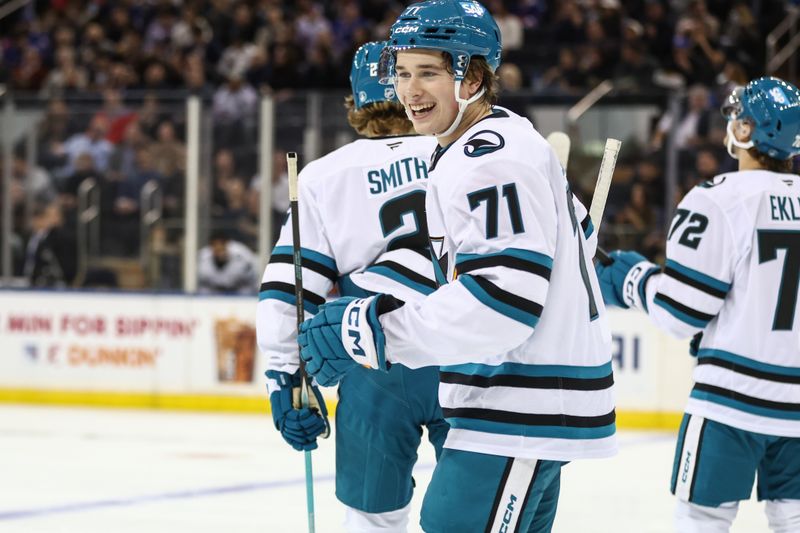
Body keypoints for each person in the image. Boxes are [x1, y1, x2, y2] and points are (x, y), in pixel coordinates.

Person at [297, 3, 617, 531]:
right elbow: (579, 239)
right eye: (402, 73)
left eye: (428, 73)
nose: (409, 91)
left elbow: (504, 303)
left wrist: (369, 329)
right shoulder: (500, 139)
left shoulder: (488, 159)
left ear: (472, 77)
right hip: (515, 400)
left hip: (517, 401)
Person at [594, 76, 800, 532]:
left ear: (746, 130)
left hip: (730, 403)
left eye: (738, 116)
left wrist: (631, 278)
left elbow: (679, 314)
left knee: (702, 521)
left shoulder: (719, 199)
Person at [258, 42, 445, 532]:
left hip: (371, 359)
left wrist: (286, 378)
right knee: (473, 515)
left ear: (356, 101)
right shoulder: (465, 151)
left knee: (372, 518)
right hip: (466, 353)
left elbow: (288, 288)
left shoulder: (324, 175)